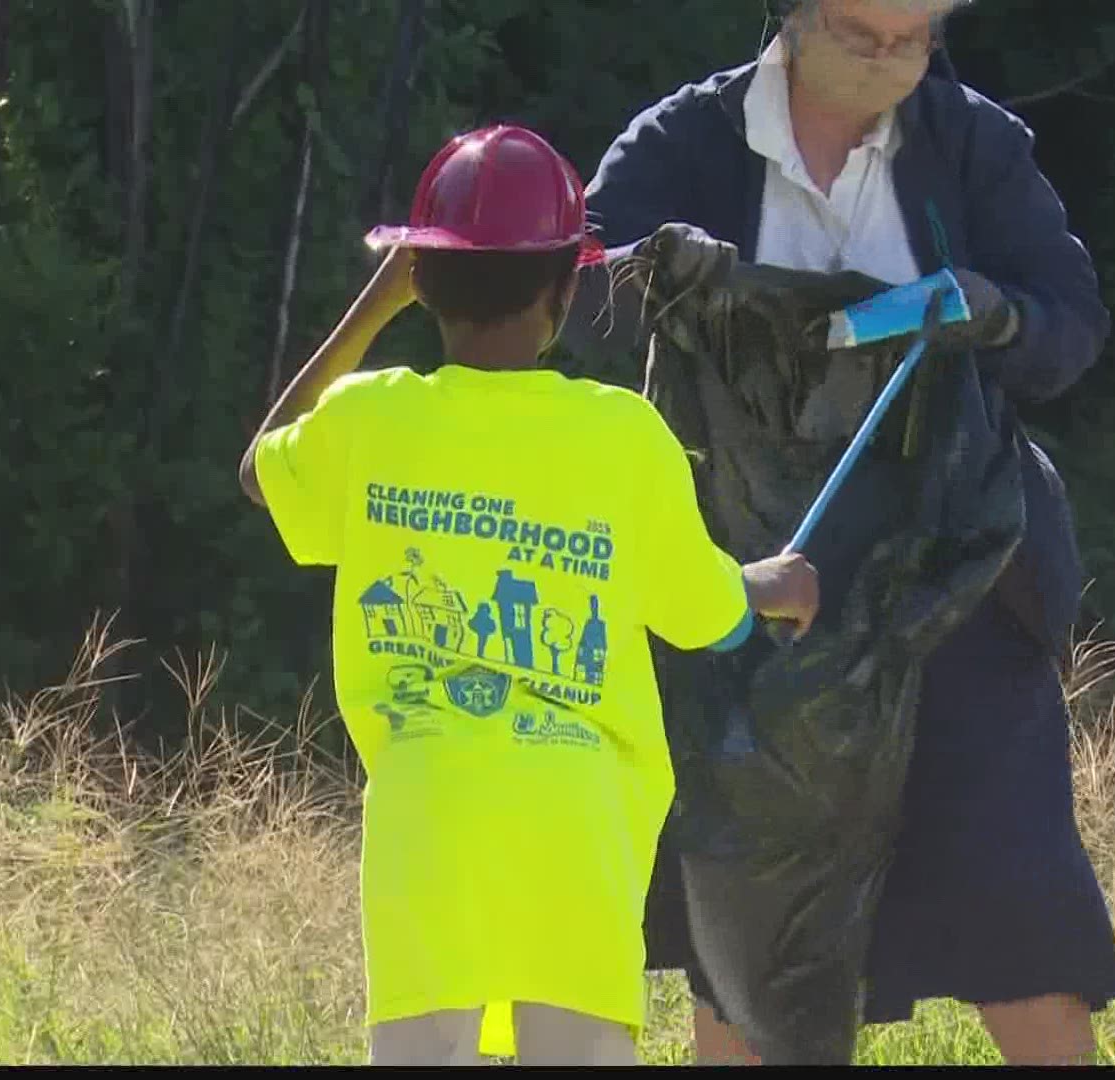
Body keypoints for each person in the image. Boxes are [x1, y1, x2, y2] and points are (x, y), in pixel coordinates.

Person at [558, 0, 1115, 1066]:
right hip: (744, 585)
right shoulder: (680, 141)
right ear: (792, 17)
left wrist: (995, 313)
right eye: (861, 36)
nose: (887, 62)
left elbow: (1073, 327)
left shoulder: (974, 142)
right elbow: (573, 311)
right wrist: (665, 282)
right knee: (741, 912)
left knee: (1017, 897)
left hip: (950, 579)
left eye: (910, 41)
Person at [237, 124, 822, 1067]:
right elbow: (703, 613)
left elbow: (262, 472)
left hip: (426, 809)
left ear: (420, 279)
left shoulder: (373, 416)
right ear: (565, 288)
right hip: (576, 814)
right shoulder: (620, 435)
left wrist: (370, 312)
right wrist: (767, 585)